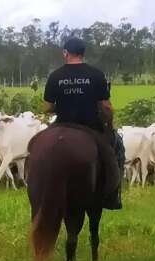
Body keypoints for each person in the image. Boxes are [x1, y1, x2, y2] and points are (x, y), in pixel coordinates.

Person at [43, 38, 123, 210]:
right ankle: (113, 195)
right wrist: (109, 124)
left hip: (62, 126)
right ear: (82, 53)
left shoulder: (55, 76)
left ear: (65, 53)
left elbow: (47, 107)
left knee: (39, 146)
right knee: (117, 148)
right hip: (91, 128)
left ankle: (38, 185)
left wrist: (63, 106)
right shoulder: (96, 74)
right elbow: (106, 106)